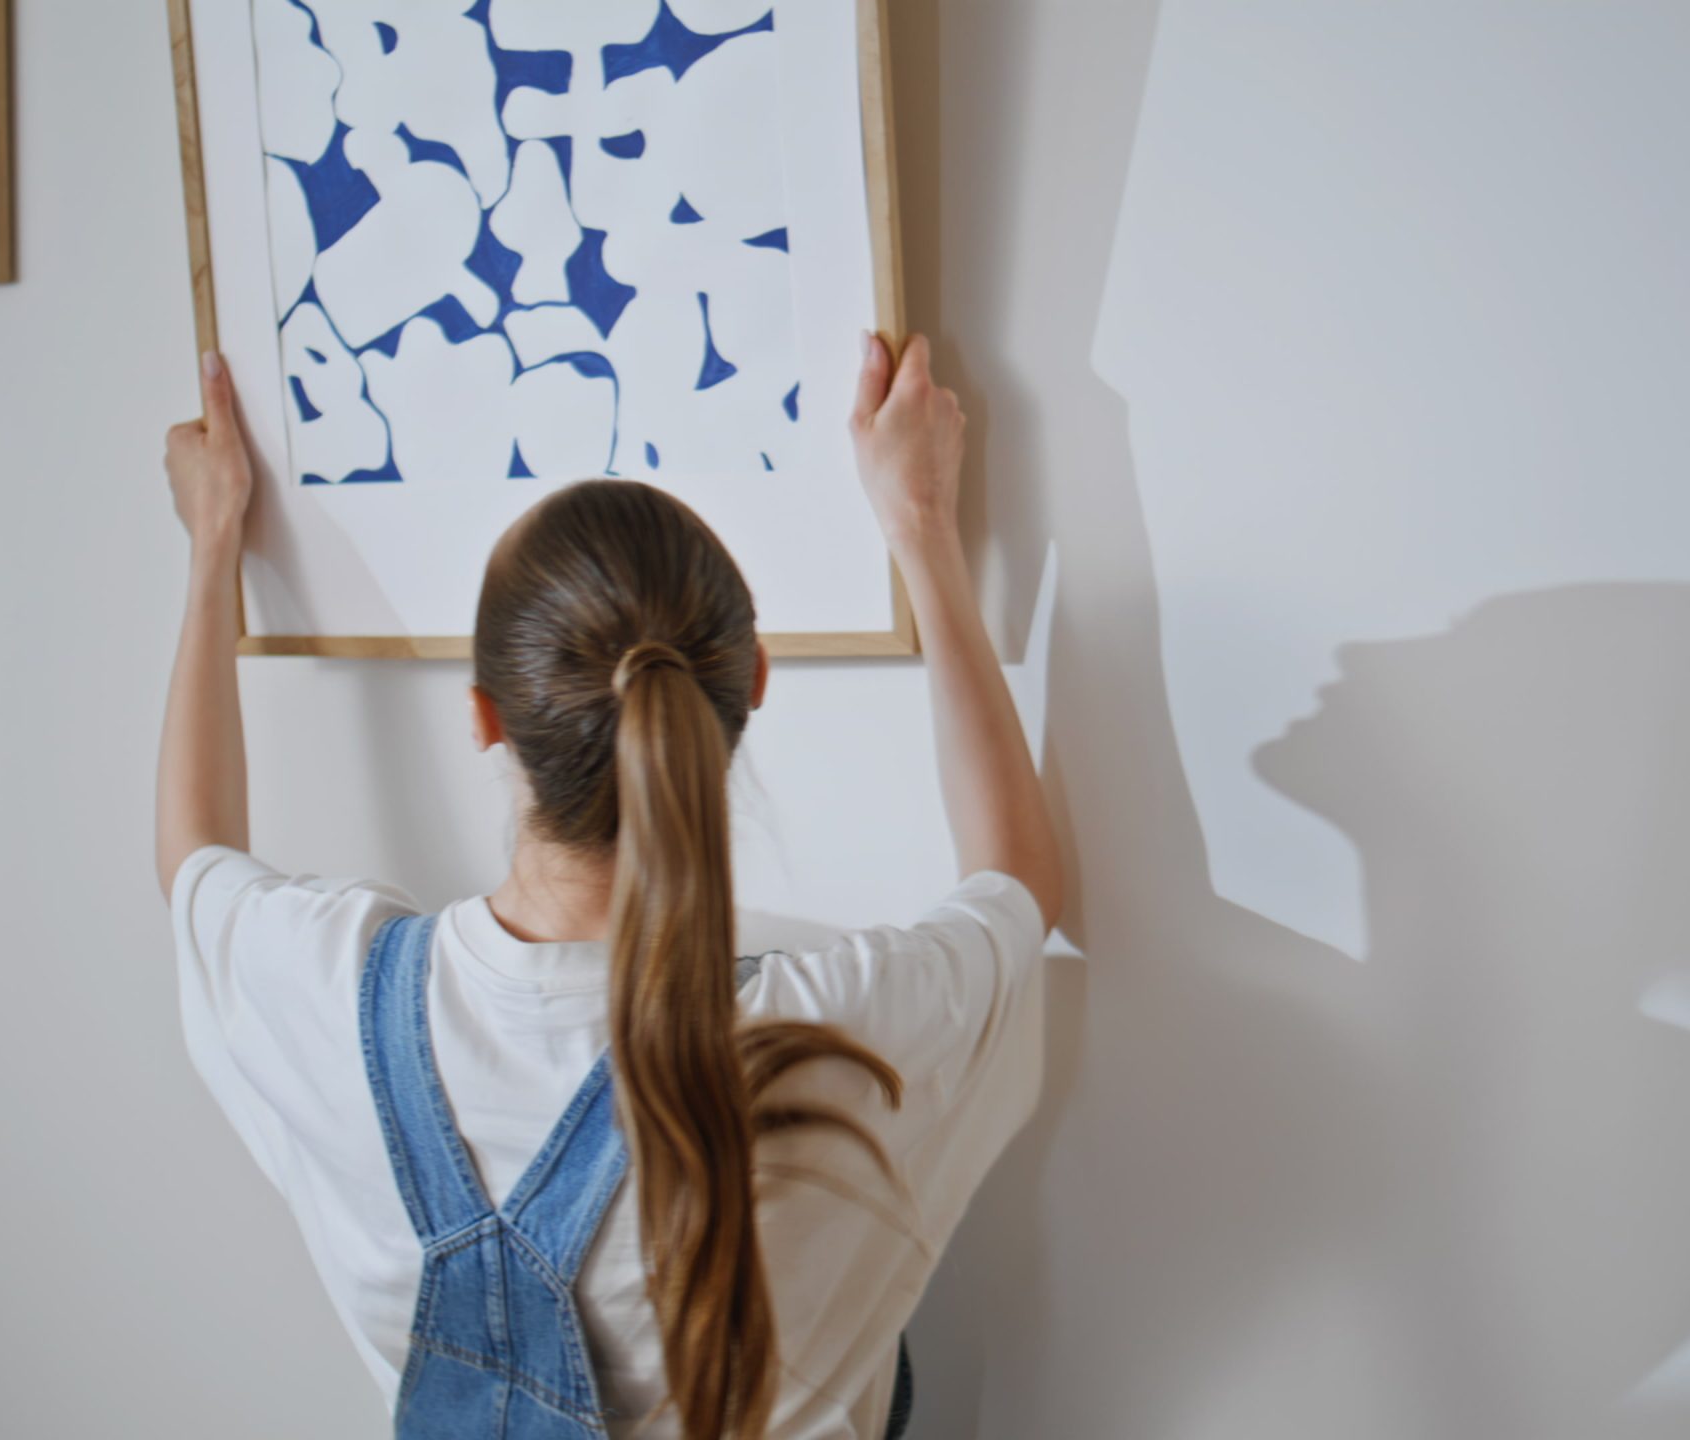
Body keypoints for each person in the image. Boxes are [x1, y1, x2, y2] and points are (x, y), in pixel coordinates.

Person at [155, 333, 1061, 1439]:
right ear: (751, 685)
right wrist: (921, 526)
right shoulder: (836, 1027)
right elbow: (1019, 879)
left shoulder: (332, 992)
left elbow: (191, 858)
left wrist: (213, 544)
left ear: (484, 718)